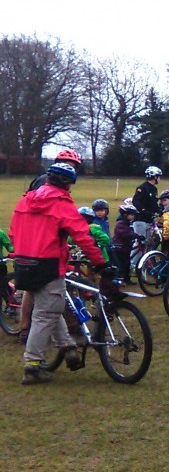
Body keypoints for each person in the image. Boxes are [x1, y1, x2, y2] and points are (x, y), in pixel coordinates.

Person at [11, 162, 108, 385]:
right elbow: (82, 236)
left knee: (50, 308)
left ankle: (68, 348)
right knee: (46, 314)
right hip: (48, 264)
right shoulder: (61, 203)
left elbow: (14, 232)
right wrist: (99, 262)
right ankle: (33, 365)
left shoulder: (25, 200)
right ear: (66, 182)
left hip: (24, 263)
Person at [132, 165, 162, 240]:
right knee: (140, 242)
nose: (159, 179)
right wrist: (143, 210)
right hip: (141, 219)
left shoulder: (154, 189)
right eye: (159, 176)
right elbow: (136, 201)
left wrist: (159, 211)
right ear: (154, 177)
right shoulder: (142, 188)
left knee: (148, 242)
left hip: (149, 220)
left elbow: (153, 203)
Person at [112, 201, 139, 283]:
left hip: (126, 247)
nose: (133, 217)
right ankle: (118, 279)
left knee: (127, 264)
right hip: (119, 247)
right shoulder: (121, 223)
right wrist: (136, 235)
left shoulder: (126, 223)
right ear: (125, 215)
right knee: (121, 265)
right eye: (132, 215)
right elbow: (125, 233)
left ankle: (126, 278)